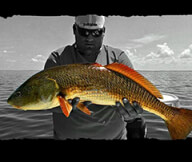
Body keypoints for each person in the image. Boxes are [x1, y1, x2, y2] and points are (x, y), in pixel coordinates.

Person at [44, 15, 146, 140]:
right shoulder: (58, 59)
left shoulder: (118, 58)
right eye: (84, 32)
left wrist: (131, 116)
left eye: (96, 33)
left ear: (104, 32)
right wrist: (59, 105)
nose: (90, 38)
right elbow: (46, 100)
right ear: (74, 30)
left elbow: (136, 95)